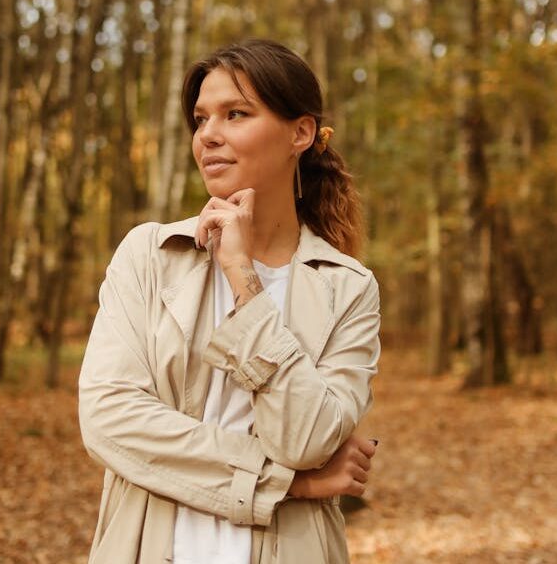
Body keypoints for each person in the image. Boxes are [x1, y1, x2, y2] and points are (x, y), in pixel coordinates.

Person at [79, 38, 381, 564]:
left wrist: (243, 277)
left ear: (301, 133)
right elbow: (110, 419)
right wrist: (286, 483)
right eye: (200, 119)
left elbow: (309, 439)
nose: (208, 136)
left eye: (235, 114)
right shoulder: (150, 256)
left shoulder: (348, 288)